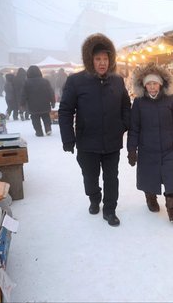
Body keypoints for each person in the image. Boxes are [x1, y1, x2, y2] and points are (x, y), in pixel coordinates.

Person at [58, 33, 131, 227]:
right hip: (87, 142)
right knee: (90, 177)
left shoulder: (117, 81)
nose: (102, 63)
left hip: (111, 142)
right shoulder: (76, 81)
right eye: (98, 59)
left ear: (111, 60)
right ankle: (94, 197)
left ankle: (110, 210)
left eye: (105, 59)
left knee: (111, 178)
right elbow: (65, 110)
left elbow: (126, 105)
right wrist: (68, 138)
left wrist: (123, 125)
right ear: (90, 60)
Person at [127, 62, 173, 222]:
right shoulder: (139, 103)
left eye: (155, 83)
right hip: (147, 149)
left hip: (169, 148)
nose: (152, 87)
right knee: (149, 178)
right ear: (144, 86)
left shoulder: (171, 100)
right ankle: (151, 198)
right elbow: (134, 128)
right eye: (149, 84)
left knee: (172, 179)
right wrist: (131, 150)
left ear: (161, 84)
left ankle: (172, 210)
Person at [21, 65, 55, 137]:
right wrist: (53, 101)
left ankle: (39, 131)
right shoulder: (45, 81)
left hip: (32, 104)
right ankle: (48, 128)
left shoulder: (26, 82)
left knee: (35, 118)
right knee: (46, 116)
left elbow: (23, 94)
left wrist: (22, 104)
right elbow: (50, 92)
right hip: (45, 103)